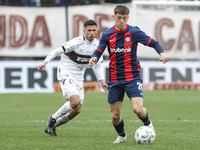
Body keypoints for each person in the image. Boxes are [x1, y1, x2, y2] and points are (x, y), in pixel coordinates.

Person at [89, 5, 170, 143]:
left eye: (124, 18)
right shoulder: (107, 34)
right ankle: (122, 136)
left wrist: (162, 52)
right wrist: (94, 57)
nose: (121, 21)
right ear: (114, 17)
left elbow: (153, 43)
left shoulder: (134, 32)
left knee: (138, 109)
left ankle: (148, 124)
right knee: (115, 116)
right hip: (114, 79)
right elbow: (99, 50)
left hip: (132, 77)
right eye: (119, 18)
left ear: (128, 18)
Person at [38, 20, 108, 136]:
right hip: (65, 71)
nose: (92, 33)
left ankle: (52, 126)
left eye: (94, 30)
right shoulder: (76, 42)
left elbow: (98, 65)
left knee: (77, 109)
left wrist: (102, 82)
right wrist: (46, 62)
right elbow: (58, 50)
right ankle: (53, 118)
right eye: (89, 30)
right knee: (75, 101)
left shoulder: (98, 46)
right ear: (84, 31)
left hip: (79, 76)